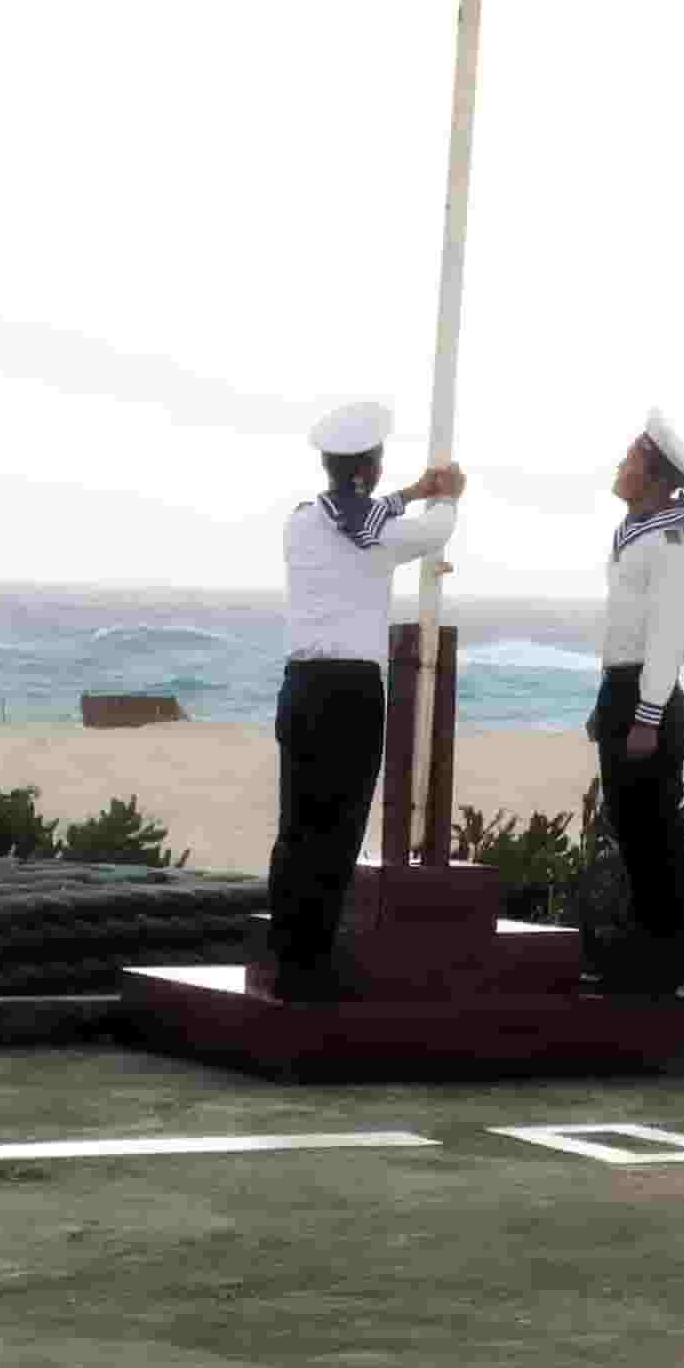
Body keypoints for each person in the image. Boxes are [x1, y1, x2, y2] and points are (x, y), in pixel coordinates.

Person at [273, 403, 462, 1004]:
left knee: (298, 827)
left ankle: (290, 958)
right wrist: (449, 496)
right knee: (340, 828)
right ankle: (314, 967)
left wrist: (409, 491)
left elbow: (363, 514)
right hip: (351, 691)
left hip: (300, 687)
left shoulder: (302, 521)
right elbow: (432, 534)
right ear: (370, 469)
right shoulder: (377, 537)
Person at [590, 409, 684, 997]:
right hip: (624, 688)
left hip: (651, 698)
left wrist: (646, 714)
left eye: (630, 461)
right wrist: (608, 701)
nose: (620, 468)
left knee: (655, 835)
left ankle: (664, 962)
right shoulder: (637, 537)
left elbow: (669, 636)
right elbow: (627, 629)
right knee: (631, 827)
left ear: (654, 477)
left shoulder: (673, 546)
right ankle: (647, 955)